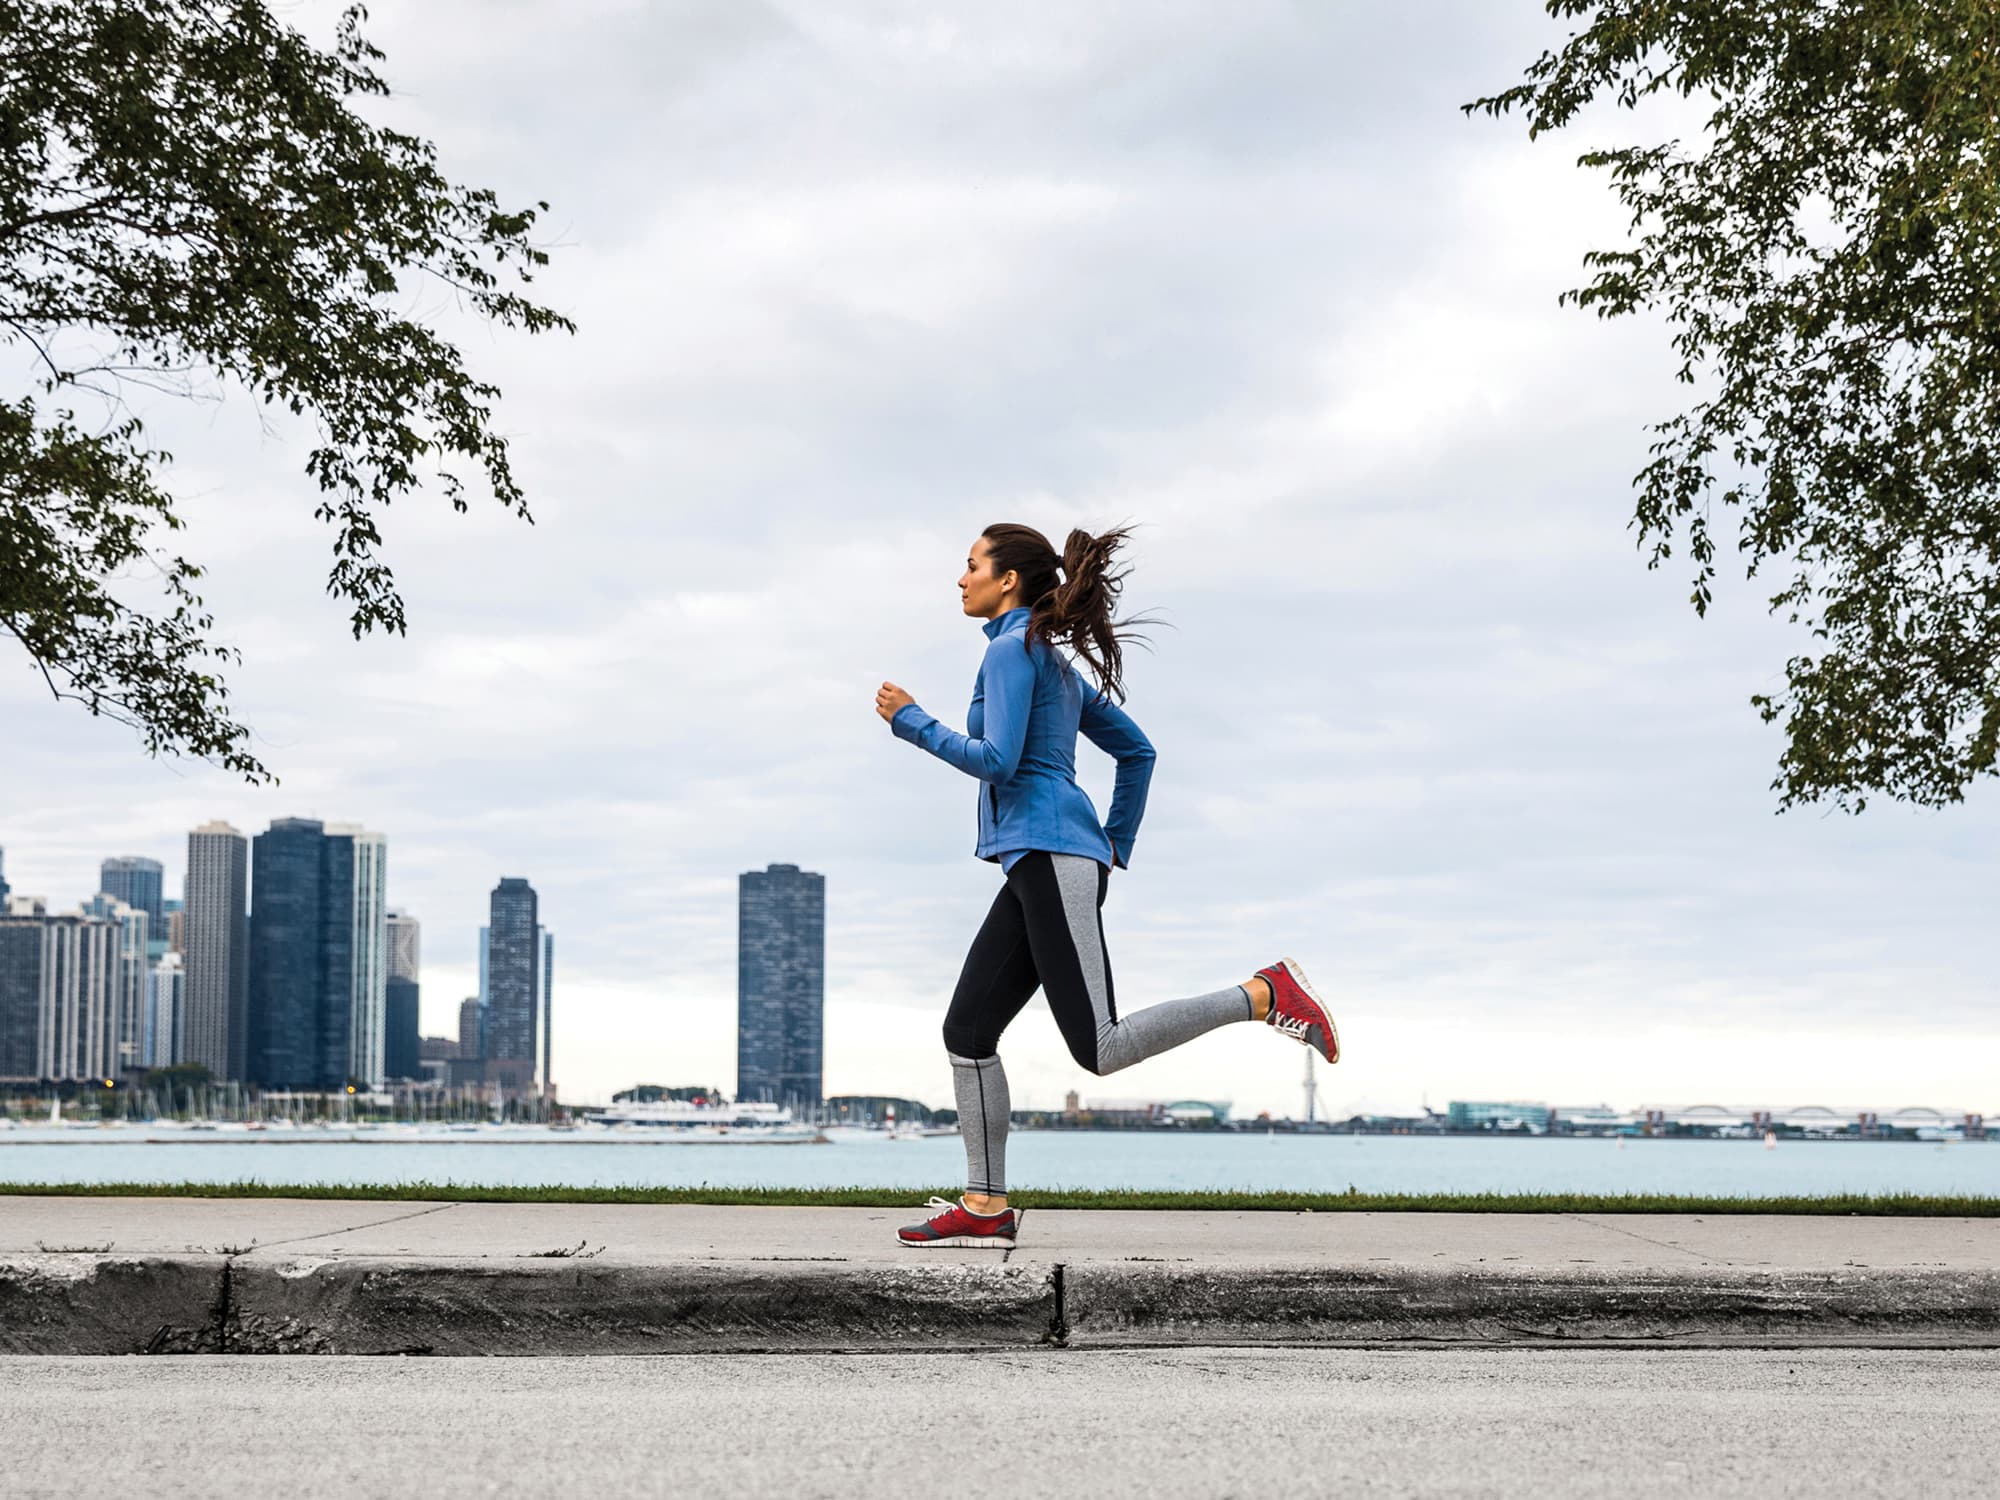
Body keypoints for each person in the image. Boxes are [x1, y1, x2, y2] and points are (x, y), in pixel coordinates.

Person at [875, 523, 1338, 1249]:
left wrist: (914, 722)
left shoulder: (1010, 651)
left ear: (1009, 582)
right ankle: (986, 1203)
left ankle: (1263, 994)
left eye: (971, 567)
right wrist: (1113, 841)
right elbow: (1138, 751)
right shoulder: (1046, 661)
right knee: (967, 1032)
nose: (959, 579)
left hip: (1052, 855)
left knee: (1101, 1047)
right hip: (1043, 859)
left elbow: (998, 762)